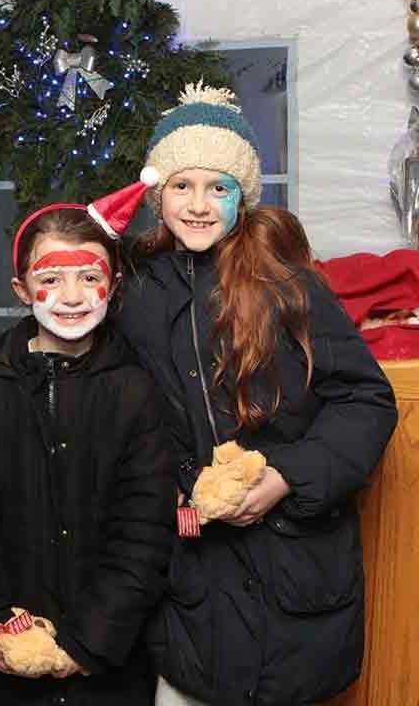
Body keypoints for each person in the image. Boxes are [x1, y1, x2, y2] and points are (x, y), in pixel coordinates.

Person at [89, 81, 398, 706]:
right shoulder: (136, 292)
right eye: (181, 185)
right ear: (156, 193)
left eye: (218, 187)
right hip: (193, 595)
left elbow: (366, 400)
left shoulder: (289, 287)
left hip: (296, 590)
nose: (198, 205)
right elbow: (62, 279)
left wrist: (288, 476)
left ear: (243, 197)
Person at [0, 204, 175, 706]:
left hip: (111, 664)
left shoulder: (136, 390)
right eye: (51, 278)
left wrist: (90, 642)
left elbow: (145, 531)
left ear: (115, 284)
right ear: (21, 290)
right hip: (8, 662)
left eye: (90, 276)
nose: (71, 296)